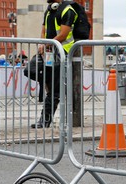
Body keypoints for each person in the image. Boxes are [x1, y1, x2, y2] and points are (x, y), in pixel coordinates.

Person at [32, 0, 77, 129]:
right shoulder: (49, 10)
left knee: (55, 89)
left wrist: (48, 44)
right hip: (49, 53)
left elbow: (63, 34)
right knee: (50, 86)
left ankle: (46, 120)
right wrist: (42, 43)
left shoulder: (67, 10)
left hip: (62, 53)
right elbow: (44, 30)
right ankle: (46, 120)